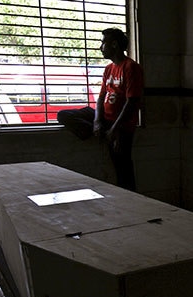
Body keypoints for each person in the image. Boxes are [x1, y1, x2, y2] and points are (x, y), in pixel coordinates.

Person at [57, 28, 144, 191]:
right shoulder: (109, 69)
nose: (100, 47)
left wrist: (114, 130)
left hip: (120, 127)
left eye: (103, 43)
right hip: (104, 118)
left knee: (123, 170)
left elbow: (132, 102)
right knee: (63, 115)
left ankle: (131, 202)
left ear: (114, 45)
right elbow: (100, 97)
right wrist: (97, 121)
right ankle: (96, 132)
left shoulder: (131, 68)